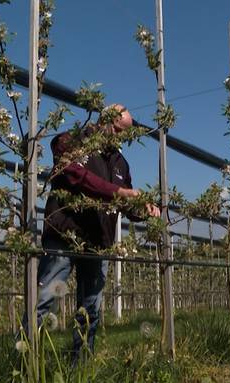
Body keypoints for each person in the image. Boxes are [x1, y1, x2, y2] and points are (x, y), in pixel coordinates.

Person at [23, 104, 159, 363]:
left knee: (90, 311)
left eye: (125, 135)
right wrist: (119, 193)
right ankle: (25, 365)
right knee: (44, 301)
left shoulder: (121, 164)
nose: (121, 139)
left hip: (97, 244)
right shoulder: (70, 141)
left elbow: (125, 203)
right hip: (65, 235)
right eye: (119, 131)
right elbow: (76, 175)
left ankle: (80, 367)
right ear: (104, 121)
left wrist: (144, 209)